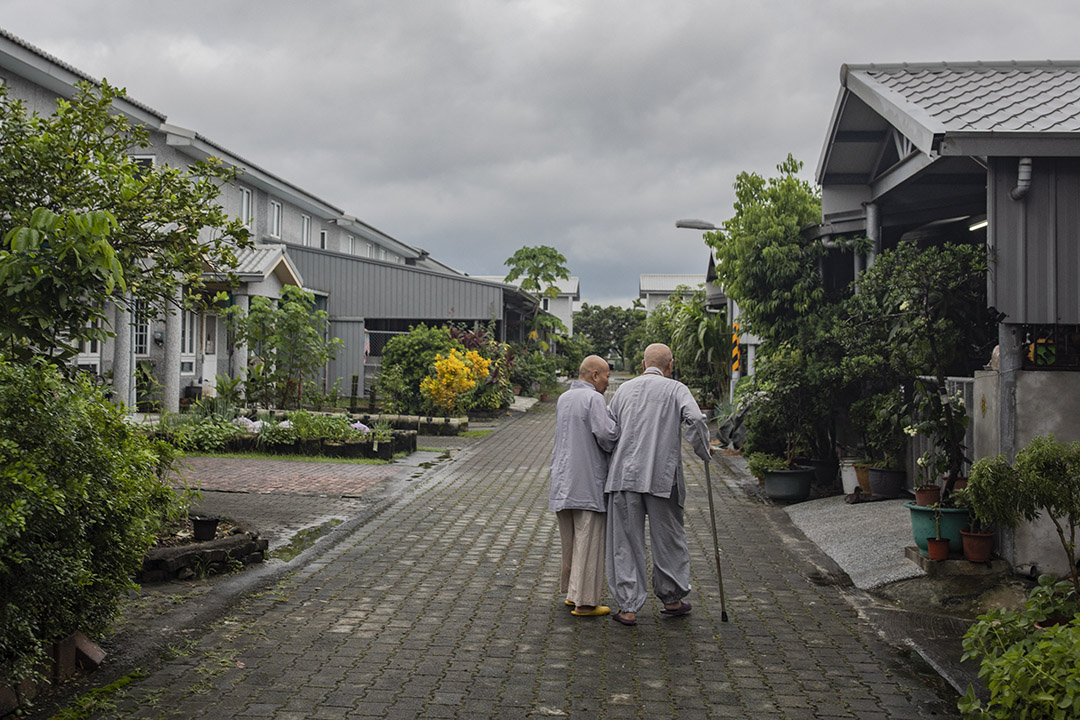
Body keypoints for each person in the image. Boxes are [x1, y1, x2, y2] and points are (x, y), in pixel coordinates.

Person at [605, 343, 711, 626]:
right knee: (669, 539)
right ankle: (672, 599)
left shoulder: (624, 390)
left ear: (642, 365)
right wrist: (703, 451)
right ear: (671, 365)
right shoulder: (676, 389)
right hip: (663, 477)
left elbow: (609, 432)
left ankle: (628, 608)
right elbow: (697, 418)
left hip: (625, 476)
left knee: (625, 542)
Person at [549, 354, 619, 617]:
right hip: (587, 480)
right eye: (606, 377)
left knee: (570, 541)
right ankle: (585, 602)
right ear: (594, 375)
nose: (608, 383)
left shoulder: (564, 398)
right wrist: (619, 430)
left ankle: (571, 593)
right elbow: (606, 435)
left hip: (563, 479)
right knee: (588, 542)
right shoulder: (594, 399)